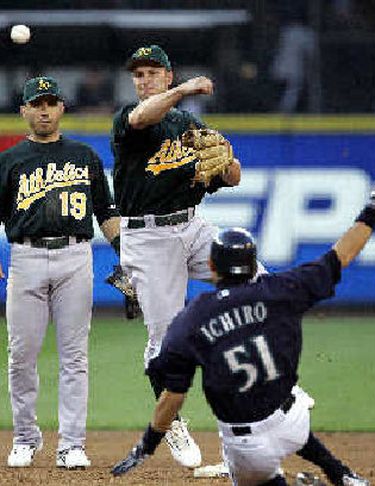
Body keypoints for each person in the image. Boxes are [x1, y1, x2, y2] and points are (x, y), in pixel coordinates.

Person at [110, 169, 375, 485]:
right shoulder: (281, 290)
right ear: (253, 263)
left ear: (210, 265)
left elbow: (172, 393)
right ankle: (341, 474)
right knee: (294, 416)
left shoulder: (194, 317)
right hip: (292, 419)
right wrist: (373, 208)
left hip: (245, 447)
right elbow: (343, 253)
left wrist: (146, 445)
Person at [111, 44, 241, 468]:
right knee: (166, 339)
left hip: (192, 226)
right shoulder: (130, 120)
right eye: (138, 74)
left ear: (166, 75)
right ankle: (171, 422)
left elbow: (230, 177)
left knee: (255, 278)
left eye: (152, 72)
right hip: (148, 239)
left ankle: (278, 391)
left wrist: (229, 162)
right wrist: (184, 89)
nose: (144, 79)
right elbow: (142, 117)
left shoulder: (188, 124)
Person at [0, 76, 120, 469]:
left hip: (75, 257)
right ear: (24, 111)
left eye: (51, 102)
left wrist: (126, 255)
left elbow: (105, 211)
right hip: (26, 257)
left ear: (62, 108)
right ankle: (25, 437)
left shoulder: (84, 156)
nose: (44, 109)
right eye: (37, 103)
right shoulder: (10, 160)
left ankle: (71, 444)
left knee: (75, 357)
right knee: (21, 355)